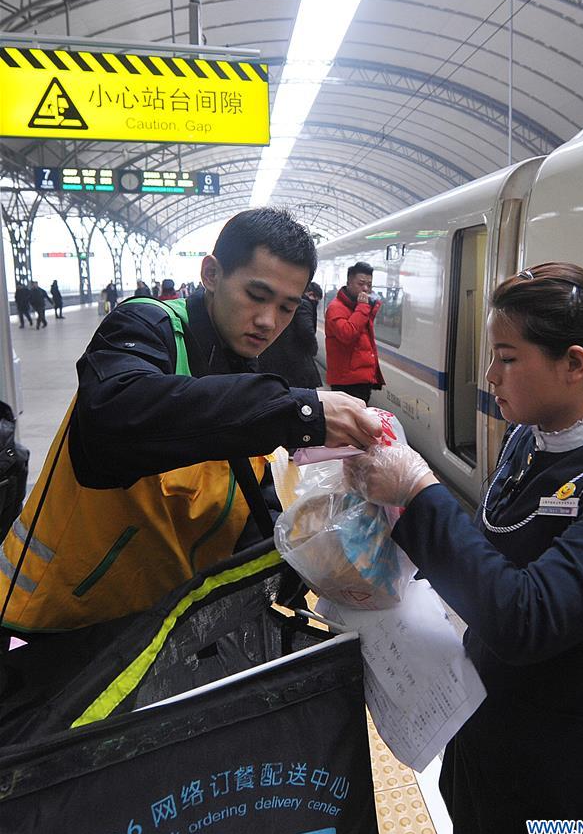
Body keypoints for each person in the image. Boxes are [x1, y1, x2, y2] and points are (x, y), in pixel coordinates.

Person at [346, 263, 583, 834]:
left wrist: (419, 492)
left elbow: (526, 618)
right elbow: (486, 557)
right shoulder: (530, 438)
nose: (488, 376)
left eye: (507, 357)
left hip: (577, 789)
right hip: (491, 743)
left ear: (574, 364)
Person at [0, 208, 381, 643]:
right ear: (212, 273)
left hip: (161, 628)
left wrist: (310, 552)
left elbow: (246, 488)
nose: (268, 321)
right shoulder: (145, 326)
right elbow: (112, 423)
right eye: (256, 295)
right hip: (66, 621)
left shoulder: (245, 367)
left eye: (286, 307)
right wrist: (300, 413)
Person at [325, 261, 384, 404]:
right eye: (361, 283)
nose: (365, 289)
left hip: (361, 378)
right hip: (346, 381)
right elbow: (347, 334)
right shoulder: (336, 308)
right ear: (349, 282)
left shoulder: (359, 307)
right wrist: (363, 307)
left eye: (369, 285)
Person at [258, 280, 322, 389]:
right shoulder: (304, 304)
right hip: (294, 360)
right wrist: (313, 349)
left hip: (277, 357)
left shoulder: (285, 303)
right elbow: (307, 330)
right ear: (311, 294)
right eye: (316, 300)